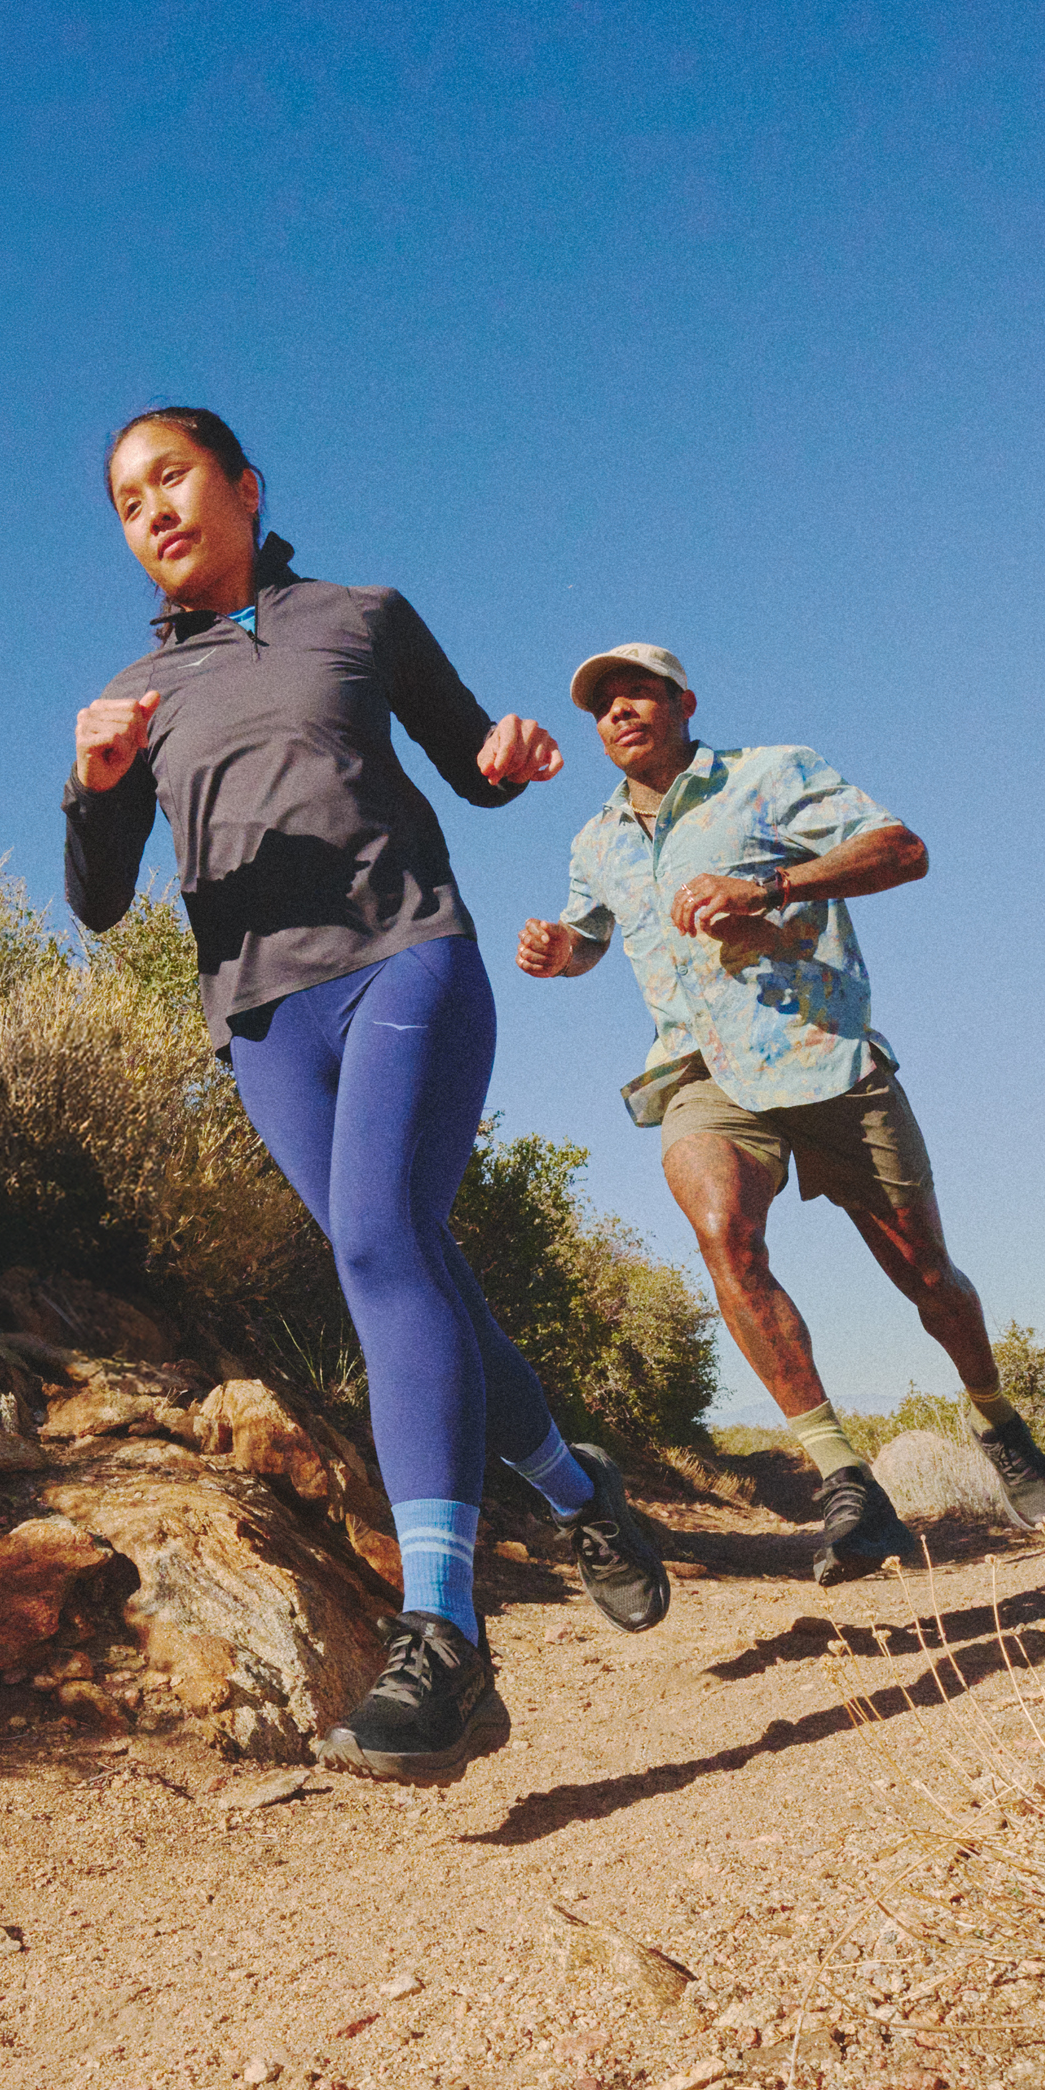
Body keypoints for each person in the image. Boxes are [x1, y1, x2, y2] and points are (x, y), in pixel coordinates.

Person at [64, 408, 669, 1782]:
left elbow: (469, 759)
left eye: (172, 477)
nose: (151, 509)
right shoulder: (134, 699)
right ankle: (584, 1496)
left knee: (385, 1243)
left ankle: (442, 1637)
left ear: (243, 486)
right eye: (124, 500)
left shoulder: (358, 613)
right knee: (408, 1257)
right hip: (265, 1017)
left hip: (408, 955)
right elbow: (96, 901)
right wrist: (92, 785)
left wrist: (507, 759)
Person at [514, 643, 1045, 1580]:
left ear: (684, 701)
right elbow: (589, 941)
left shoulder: (771, 775)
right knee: (723, 1232)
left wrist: (768, 886)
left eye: (637, 692)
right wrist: (555, 949)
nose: (618, 711)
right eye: (601, 704)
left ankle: (994, 1417)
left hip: (820, 1051)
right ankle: (846, 1479)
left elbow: (904, 851)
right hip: (700, 1073)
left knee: (928, 1276)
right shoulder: (597, 840)